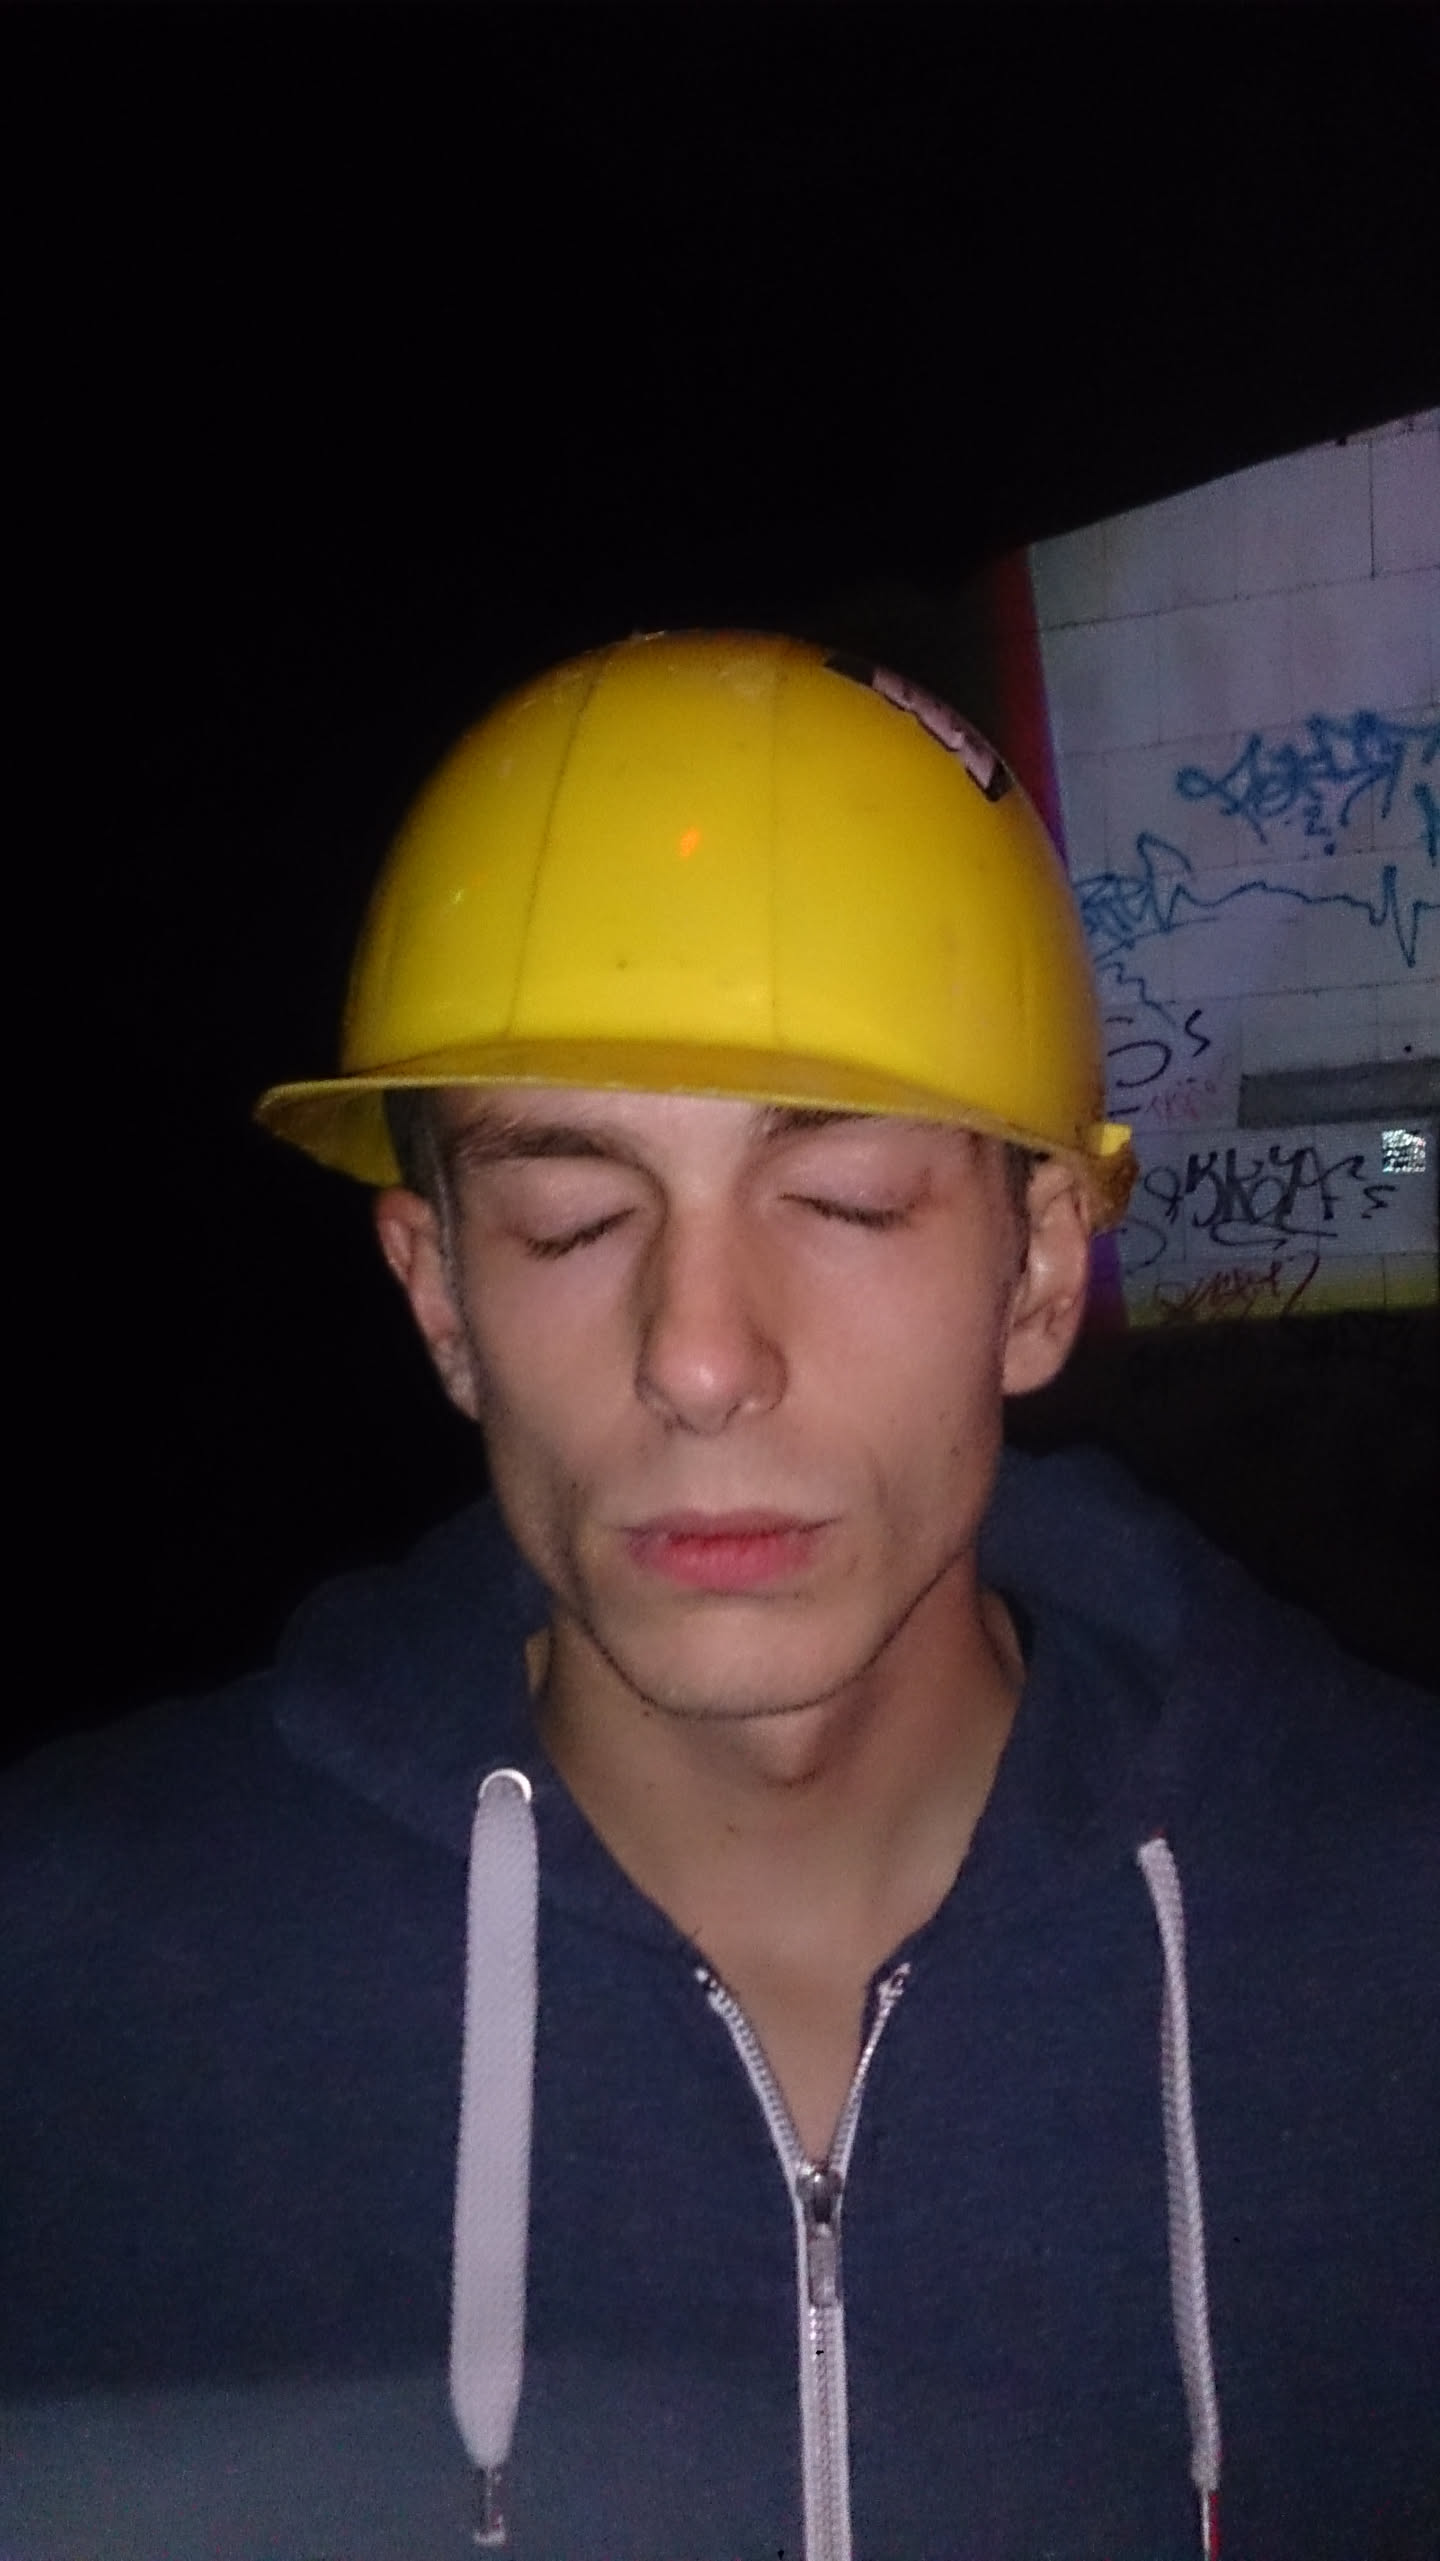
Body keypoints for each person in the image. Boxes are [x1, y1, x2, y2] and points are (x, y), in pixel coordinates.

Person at [2, 632, 1435, 2561]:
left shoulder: (1394, 1933)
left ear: (1036, 1270)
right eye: (572, 1216)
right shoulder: (74, 1988)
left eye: (842, 1201)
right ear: (439, 1294)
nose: (698, 1355)